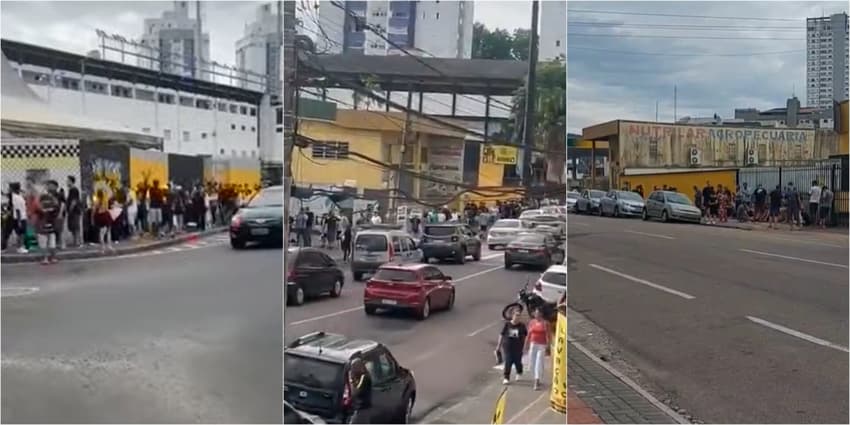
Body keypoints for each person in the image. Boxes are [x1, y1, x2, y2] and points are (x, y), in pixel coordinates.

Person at [496, 309, 527, 385]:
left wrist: (525, 346)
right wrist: (498, 346)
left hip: (518, 347)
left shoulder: (522, 326)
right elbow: (502, 335)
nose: (517, 317)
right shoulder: (507, 324)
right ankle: (506, 377)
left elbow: (525, 336)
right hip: (508, 347)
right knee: (508, 362)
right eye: (516, 315)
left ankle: (519, 372)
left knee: (517, 362)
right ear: (512, 316)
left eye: (519, 316)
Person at [36, 181, 61, 264]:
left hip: (43, 222)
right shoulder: (54, 200)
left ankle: (45, 259)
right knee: (51, 240)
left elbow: (37, 209)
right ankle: (52, 258)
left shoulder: (41, 199)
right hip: (51, 222)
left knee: (44, 241)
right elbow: (56, 209)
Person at [526, 308, 550, 390]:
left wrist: (548, 346)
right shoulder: (532, 322)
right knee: (532, 362)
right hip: (533, 344)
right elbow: (529, 334)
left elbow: (548, 335)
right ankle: (535, 378)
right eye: (536, 313)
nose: (537, 315)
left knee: (539, 362)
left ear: (541, 314)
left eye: (538, 313)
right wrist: (526, 344)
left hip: (541, 345)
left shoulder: (545, 323)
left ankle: (537, 380)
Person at [347, 358, 372, 424]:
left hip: (363, 409)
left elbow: (355, 392)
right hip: (360, 408)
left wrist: (351, 380)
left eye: (353, 368)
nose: (352, 370)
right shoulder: (360, 378)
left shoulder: (364, 378)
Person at [10, 182, 28, 253]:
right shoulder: (15, 197)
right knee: (20, 233)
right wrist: (19, 220)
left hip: (23, 216)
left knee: (21, 233)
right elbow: (17, 210)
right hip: (20, 217)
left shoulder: (19, 196)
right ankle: (19, 247)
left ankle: (21, 246)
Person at [66, 176, 82, 247]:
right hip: (73, 211)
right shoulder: (70, 190)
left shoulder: (74, 190)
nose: (67, 182)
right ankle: (75, 241)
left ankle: (77, 242)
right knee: (72, 227)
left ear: (71, 181)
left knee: (75, 227)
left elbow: (74, 201)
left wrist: (70, 209)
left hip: (74, 211)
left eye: (68, 181)